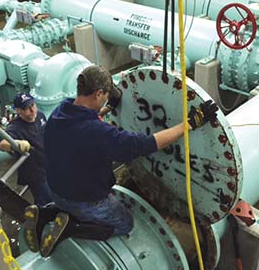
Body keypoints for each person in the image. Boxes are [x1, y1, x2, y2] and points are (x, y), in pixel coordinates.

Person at [38, 65, 218, 256]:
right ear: (99, 93)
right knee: (125, 223)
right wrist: (189, 124)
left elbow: (83, 126)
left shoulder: (61, 111)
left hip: (56, 190)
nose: (108, 97)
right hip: (83, 201)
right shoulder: (98, 134)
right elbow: (145, 144)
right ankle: (72, 229)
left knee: (72, 196)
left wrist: (108, 108)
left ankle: (48, 213)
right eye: (107, 94)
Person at [0, 92, 52, 207]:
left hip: (51, 165)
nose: (32, 110)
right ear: (18, 111)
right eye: (27, 108)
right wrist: (15, 144)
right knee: (46, 203)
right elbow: (2, 143)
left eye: (33, 105)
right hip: (37, 174)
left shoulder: (40, 116)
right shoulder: (15, 127)